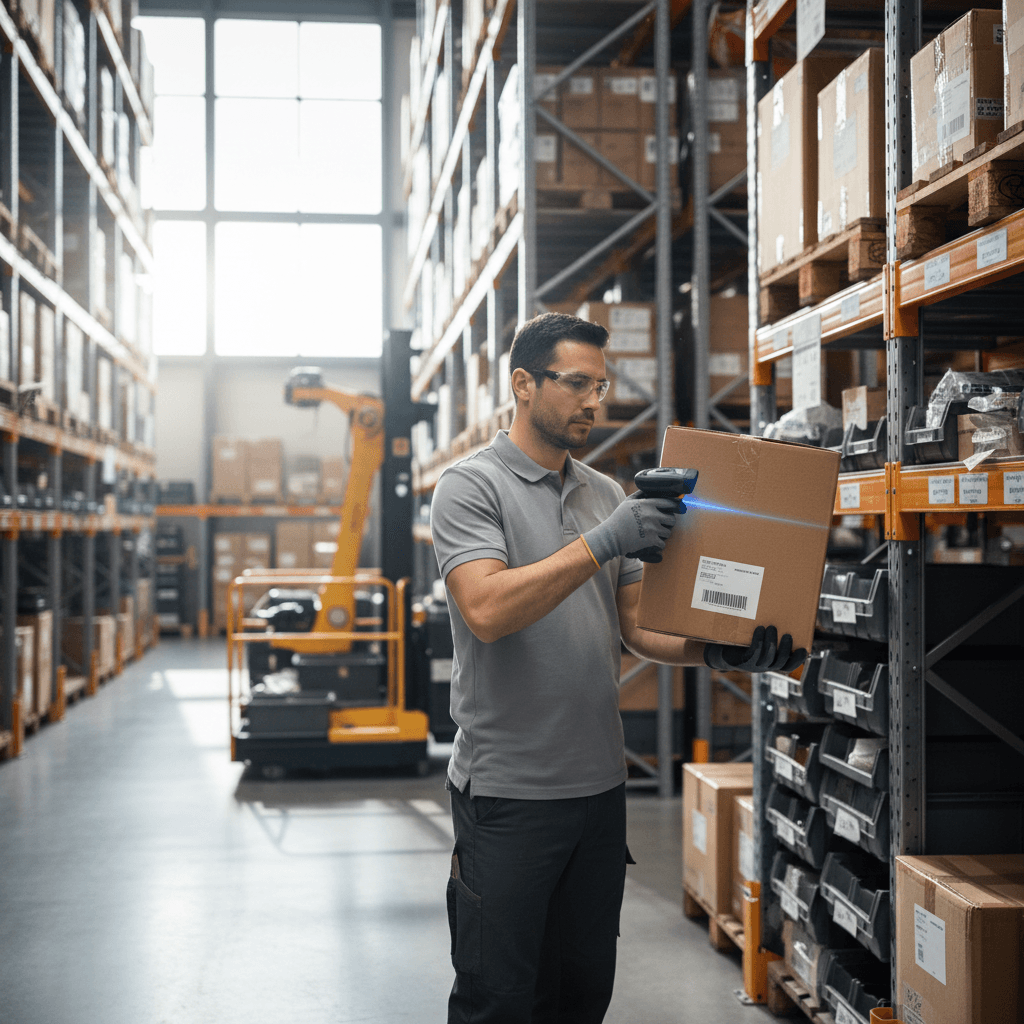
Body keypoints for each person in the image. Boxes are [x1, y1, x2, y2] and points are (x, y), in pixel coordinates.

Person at [430, 312, 803, 1024]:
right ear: (523, 384)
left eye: (600, 386)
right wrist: (603, 542)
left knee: (580, 994)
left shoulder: (603, 493)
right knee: (500, 1000)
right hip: (508, 797)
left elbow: (638, 629)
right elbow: (485, 608)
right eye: (575, 384)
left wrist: (719, 650)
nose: (593, 402)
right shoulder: (471, 488)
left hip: (598, 794)